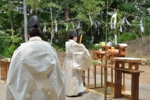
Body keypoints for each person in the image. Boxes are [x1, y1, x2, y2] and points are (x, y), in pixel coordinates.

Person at [6, 15, 65, 100]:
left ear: (28, 34)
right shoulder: (50, 49)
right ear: (40, 33)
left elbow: (12, 76)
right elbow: (59, 75)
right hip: (46, 90)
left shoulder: (20, 50)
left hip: (26, 90)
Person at [63, 29, 92, 97]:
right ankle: (75, 92)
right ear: (74, 37)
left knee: (69, 77)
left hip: (68, 61)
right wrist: (81, 46)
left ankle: (69, 91)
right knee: (75, 77)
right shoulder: (74, 44)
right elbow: (83, 51)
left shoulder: (67, 43)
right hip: (73, 62)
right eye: (76, 37)